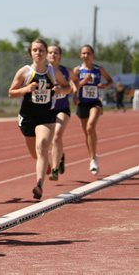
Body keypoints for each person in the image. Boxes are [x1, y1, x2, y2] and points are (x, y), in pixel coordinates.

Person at [9, 38, 70, 200]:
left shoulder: (53, 72)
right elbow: (11, 93)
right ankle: (46, 165)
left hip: (46, 115)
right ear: (30, 53)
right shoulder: (25, 72)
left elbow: (68, 87)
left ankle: (39, 184)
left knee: (42, 146)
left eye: (41, 50)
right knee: (34, 152)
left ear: (45, 53)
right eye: (35, 50)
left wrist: (60, 89)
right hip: (28, 116)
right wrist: (26, 88)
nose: (38, 53)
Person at [73, 45, 113, 175]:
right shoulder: (77, 70)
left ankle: (93, 160)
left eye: (88, 53)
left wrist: (104, 85)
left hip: (95, 103)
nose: (86, 55)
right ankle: (93, 156)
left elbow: (110, 80)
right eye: (83, 53)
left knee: (90, 128)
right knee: (87, 133)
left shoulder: (98, 69)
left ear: (93, 55)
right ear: (80, 55)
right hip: (82, 104)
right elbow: (72, 86)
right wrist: (82, 84)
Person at [46, 45, 79, 181]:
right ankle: (61, 155)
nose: (53, 55)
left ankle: (54, 169)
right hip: (47, 110)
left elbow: (75, 82)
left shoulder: (66, 71)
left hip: (62, 109)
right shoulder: (43, 71)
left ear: (60, 56)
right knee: (49, 141)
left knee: (57, 136)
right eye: (50, 52)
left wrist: (74, 93)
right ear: (46, 55)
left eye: (56, 53)